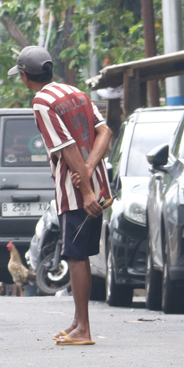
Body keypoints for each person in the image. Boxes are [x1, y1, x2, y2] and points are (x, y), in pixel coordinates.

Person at [12, 45, 113, 345]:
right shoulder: (75, 92)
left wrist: (85, 189)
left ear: (25, 76)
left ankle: (84, 328)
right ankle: (77, 321)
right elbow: (105, 132)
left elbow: (67, 148)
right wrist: (92, 170)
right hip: (98, 182)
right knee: (79, 253)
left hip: (76, 191)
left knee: (75, 255)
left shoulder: (42, 102)